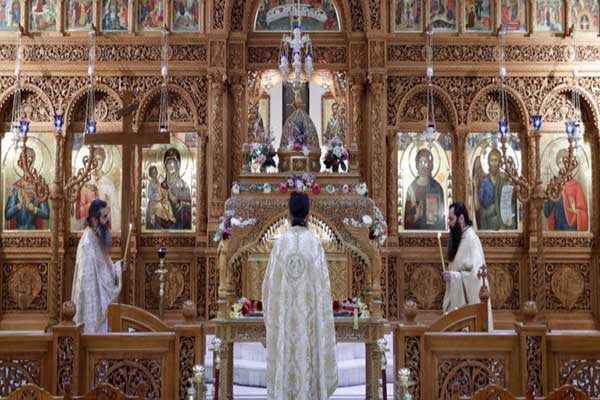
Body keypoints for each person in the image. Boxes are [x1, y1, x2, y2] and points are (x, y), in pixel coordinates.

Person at [261, 192, 338, 399]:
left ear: (289, 212)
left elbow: (269, 288)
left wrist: (273, 319)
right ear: (308, 213)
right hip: (308, 325)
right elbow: (323, 290)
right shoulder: (314, 244)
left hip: (286, 325)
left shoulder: (280, 244)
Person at [71, 199, 126, 333]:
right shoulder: (87, 244)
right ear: (95, 220)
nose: (108, 221)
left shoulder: (96, 237)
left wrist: (118, 267)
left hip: (102, 311)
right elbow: (90, 287)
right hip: (94, 314)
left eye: (108, 215)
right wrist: (117, 271)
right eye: (105, 217)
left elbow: (103, 271)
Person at [443, 202, 493, 330]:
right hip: (457, 302)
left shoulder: (472, 240)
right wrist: (451, 276)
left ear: (461, 218)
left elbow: (476, 277)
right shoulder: (459, 239)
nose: (449, 223)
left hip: (469, 306)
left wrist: (454, 277)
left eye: (451, 219)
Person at [4, 147, 50, 230]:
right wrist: (19, 205)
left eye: (30, 161)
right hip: (18, 232)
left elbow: (46, 214)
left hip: (34, 231)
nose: (28, 165)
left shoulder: (39, 187)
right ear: (21, 163)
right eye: (26, 162)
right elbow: (7, 215)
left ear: (34, 162)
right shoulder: (16, 187)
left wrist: (34, 209)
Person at [543, 149, 588, 231]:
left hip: (571, 228)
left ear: (570, 164)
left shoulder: (576, 186)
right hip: (556, 228)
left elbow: (583, 212)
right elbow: (546, 212)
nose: (563, 165)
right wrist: (551, 194)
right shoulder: (554, 185)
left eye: (565, 161)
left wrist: (575, 211)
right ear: (557, 164)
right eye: (560, 162)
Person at [76, 147, 120, 231]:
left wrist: (107, 206)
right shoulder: (86, 182)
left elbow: (115, 210)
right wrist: (91, 204)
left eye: (99, 159)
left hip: (103, 228)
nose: (96, 163)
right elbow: (79, 212)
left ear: (103, 161)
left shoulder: (109, 184)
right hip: (88, 229)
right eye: (94, 159)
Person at [404, 148, 445, 230]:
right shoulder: (411, 189)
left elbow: (441, 218)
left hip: (433, 231)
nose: (423, 166)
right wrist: (415, 216)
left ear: (430, 165)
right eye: (421, 162)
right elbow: (407, 220)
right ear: (417, 165)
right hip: (415, 232)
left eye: (426, 162)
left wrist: (434, 217)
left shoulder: (437, 188)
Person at [476, 148, 516, 230]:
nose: (494, 163)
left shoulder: (503, 180)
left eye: (496, 160)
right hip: (488, 221)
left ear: (499, 162)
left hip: (502, 222)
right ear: (488, 162)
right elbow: (480, 204)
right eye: (492, 160)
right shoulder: (485, 182)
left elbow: (509, 201)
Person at [162, 148, 192, 229]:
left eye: (174, 163)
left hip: (180, 226)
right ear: (165, 166)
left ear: (178, 166)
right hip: (162, 228)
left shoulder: (184, 186)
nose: (171, 166)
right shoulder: (161, 186)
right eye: (169, 163)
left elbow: (190, 208)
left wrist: (178, 203)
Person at [146, 164, 176, 229]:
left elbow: (161, 189)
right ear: (151, 174)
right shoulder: (151, 184)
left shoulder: (157, 181)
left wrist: (165, 193)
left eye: (155, 172)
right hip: (154, 202)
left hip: (161, 199)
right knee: (160, 207)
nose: (154, 174)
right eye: (153, 173)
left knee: (167, 203)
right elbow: (149, 194)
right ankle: (165, 220)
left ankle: (171, 218)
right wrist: (155, 196)